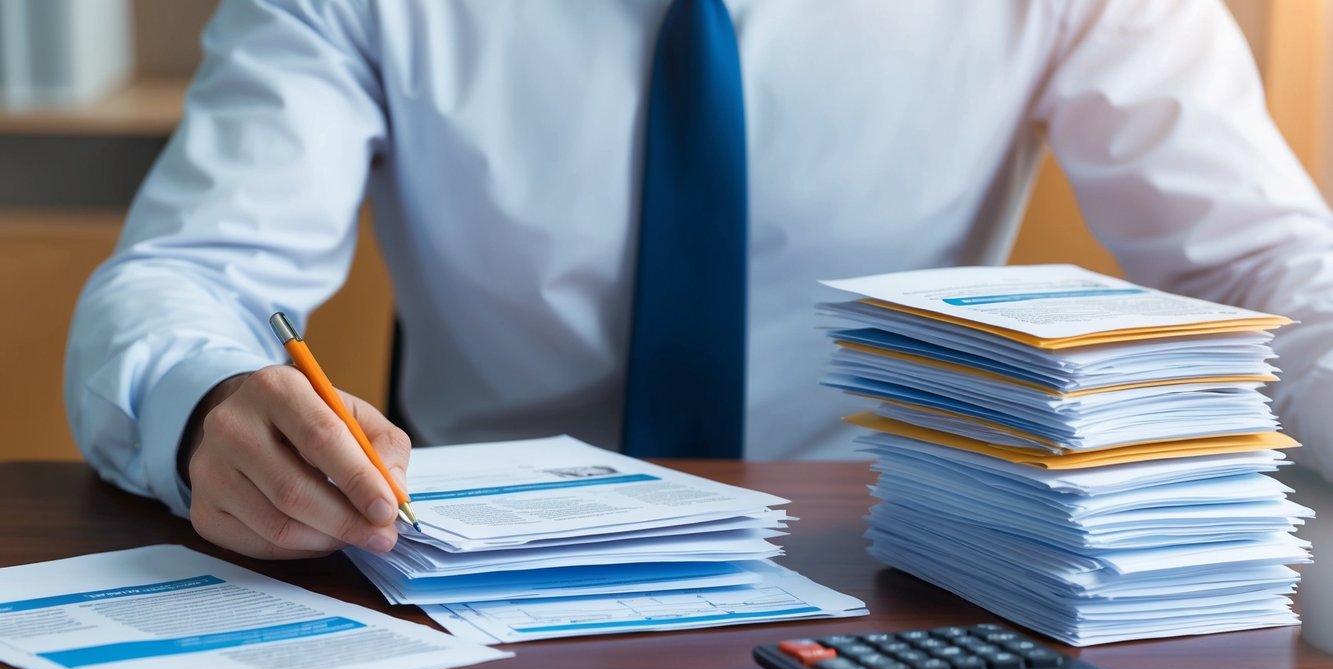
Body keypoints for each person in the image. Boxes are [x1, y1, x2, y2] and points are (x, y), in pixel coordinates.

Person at [65, 0, 1333, 560]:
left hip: (893, 574)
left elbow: (1259, 261)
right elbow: (189, 275)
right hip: (462, 579)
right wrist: (209, 404)